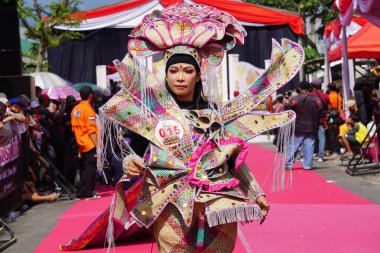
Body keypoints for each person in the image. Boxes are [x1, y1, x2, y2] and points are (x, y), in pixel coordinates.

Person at [60, 3, 304, 252]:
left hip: (217, 204)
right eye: (174, 70)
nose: (180, 77)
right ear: (165, 75)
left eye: (187, 70)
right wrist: (128, 162)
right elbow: (128, 150)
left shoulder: (215, 116)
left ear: (198, 75)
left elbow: (232, 159)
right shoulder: (149, 116)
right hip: (170, 205)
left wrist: (256, 193)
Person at [285, 81, 322, 170]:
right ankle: (307, 165)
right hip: (312, 126)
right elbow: (321, 111)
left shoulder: (295, 99)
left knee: (293, 146)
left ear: (300, 88)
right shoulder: (316, 99)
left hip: (298, 126)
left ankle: (289, 164)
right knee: (309, 146)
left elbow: (288, 109)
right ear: (309, 88)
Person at [71, 86, 99, 199]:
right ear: (90, 96)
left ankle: (81, 192)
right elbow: (91, 131)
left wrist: (79, 148)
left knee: (84, 168)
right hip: (90, 143)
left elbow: (76, 130)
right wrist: (98, 146)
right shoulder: (89, 111)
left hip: (81, 143)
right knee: (90, 168)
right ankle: (88, 192)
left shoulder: (75, 110)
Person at [311, 83, 330, 162]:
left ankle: (309, 154)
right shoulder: (325, 96)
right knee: (322, 137)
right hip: (322, 119)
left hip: (312, 119)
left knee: (310, 137)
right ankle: (320, 156)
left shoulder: (310, 95)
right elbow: (329, 108)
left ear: (314, 87)